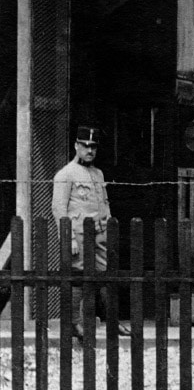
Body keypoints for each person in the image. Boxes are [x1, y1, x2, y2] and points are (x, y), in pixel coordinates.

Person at [51, 124, 122, 338]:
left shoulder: (98, 174)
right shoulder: (65, 174)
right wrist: (69, 238)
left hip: (100, 236)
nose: (90, 151)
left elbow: (104, 203)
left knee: (107, 277)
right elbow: (59, 209)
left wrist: (109, 227)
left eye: (93, 147)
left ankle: (112, 322)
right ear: (76, 146)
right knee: (79, 278)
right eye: (85, 146)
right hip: (79, 237)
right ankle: (73, 323)